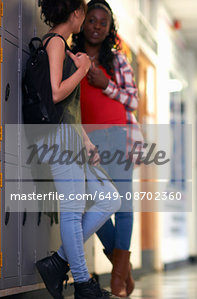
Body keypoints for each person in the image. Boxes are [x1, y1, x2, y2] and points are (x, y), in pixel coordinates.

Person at [34, 0, 121, 298]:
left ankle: (58, 262)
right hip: (58, 140)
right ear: (76, 13)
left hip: (70, 138)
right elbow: (57, 92)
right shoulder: (55, 42)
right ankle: (83, 284)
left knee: (109, 199)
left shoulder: (60, 44)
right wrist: (83, 69)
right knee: (72, 213)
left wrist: (85, 141)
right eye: (84, 11)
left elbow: (68, 108)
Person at [71, 0, 140, 296]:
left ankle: (116, 279)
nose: (97, 27)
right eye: (92, 20)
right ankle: (123, 269)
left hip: (117, 138)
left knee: (123, 208)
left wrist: (105, 83)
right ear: (83, 22)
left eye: (103, 22)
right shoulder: (72, 57)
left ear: (110, 28)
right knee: (92, 205)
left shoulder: (118, 61)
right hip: (86, 141)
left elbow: (134, 101)